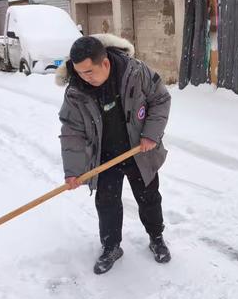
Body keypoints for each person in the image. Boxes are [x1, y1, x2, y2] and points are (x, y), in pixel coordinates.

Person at [56, 34, 171, 275]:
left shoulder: (136, 73)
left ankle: (156, 237)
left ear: (105, 63)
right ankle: (111, 247)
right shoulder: (76, 91)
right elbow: (72, 131)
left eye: (88, 72)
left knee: (149, 197)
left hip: (139, 150)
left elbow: (160, 98)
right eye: (78, 72)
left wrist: (151, 134)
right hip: (104, 157)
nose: (83, 77)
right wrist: (74, 171)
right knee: (107, 203)